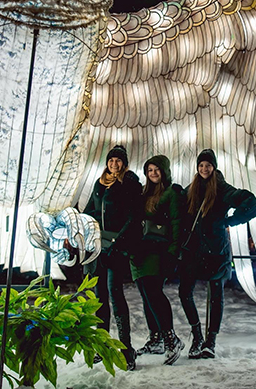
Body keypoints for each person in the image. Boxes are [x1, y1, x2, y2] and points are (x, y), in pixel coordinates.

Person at [178, 149, 256, 359]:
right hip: (194, 250)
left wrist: (228, 221)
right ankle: (197, 336)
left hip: (216, 250)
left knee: (216, 295)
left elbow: (251, 204)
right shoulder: (192, 188)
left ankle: (210, 341)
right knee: (184, 291)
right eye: (201, 165)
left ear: (213, 167)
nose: (204, 169)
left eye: (208, 165)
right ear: (197, 168)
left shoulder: (222, 188)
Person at [83, 145, 141, 370]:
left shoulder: (128, 183)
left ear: (124, 164)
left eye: (118, 161)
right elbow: (89, 210)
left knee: (115, 296)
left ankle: (126, 349)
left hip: (116, 248)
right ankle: (101, 345)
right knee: (99, 298)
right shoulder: (99, 184)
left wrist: (119, 242)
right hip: (98, 247)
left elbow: (133, 215)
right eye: (111, 160)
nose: (114, 164)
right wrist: (87, 228)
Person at [130, 155, 185, 365]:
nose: (153, 173)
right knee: (146, 294)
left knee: (153, 292)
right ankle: (156, 338)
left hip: (159, 251)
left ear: (164, 171)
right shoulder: (144, 194)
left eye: (156, 170)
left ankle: (171, 339)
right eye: (149, 170)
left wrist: (173, 253)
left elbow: (177, 224)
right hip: (143, 250)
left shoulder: (171, 193)